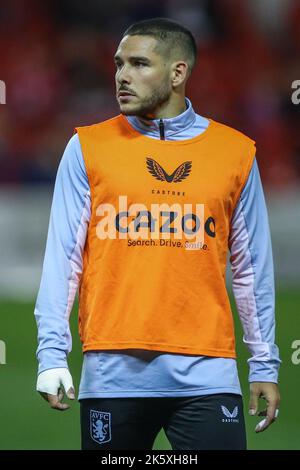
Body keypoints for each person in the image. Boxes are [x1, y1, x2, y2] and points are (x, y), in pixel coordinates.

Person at [34, 17, 281, 450]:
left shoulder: (235, 153)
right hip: (113, 376)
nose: (122, 76)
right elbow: (63, 261)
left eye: (139, 64)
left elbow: (251, 267)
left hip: (208, 375)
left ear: (178, 72)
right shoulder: (88, 148)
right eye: (118, 64)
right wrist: (51, 354)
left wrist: (264, 364)